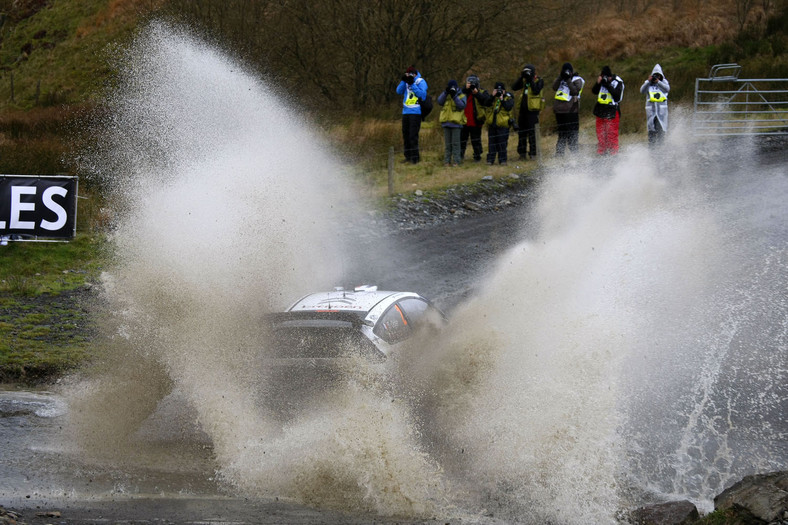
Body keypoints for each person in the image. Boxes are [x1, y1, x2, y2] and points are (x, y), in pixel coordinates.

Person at [512, 64, 545, 161]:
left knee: (532, 133)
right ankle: (522, 153)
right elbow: (514, 87)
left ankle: (533, 153)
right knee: (522, 133)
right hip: (522, 111)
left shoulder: (539, 80)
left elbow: (535, 91)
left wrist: (530, 79)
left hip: (533, 111)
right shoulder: (523, 81)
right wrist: (522, 76)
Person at [396, 66, 428, 164]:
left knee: (413, 136)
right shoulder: (406, 82)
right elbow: (398, 91)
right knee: (405, 135)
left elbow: (422, 95)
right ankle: (408, 157)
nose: (409, 76)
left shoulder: (420, 81)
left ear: (414, 74)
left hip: (416, 112)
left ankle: (415, 158)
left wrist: (412, 84)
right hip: (406, 112)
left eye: (410, 74)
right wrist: (403, 81)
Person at [552, 62, 585, 156]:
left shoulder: (578, 79)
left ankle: (574, 152)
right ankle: (559, 152)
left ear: (571, 71)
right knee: (562, 132)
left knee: (573, 133)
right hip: (559, 111)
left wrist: (568, 79)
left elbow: (575, 90)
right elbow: (554, 87)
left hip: (571, 111)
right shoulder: (561, 78)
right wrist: (560, 76)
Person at [591, 65, 624, 155]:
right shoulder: (601, 81)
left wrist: (608, 85)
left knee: (611, 134)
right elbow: (594, 91)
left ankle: (613, 153)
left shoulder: (618, 81)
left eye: (607, 77)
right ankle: (602, 152)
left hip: (612, 110)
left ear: (610, 76)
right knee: (601, 133)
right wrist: (598, 83)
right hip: (600, 110)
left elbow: (618, 97)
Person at [460, 75, 491, 162]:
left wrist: (476, 93)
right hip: (464, 120)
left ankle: (477, 156)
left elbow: (486, 101)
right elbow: (457, 97)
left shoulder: (482, 91)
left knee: (476, 140)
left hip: (476, 120)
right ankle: (460, 155)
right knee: (462, 140)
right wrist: (465, 89)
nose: (471, 85)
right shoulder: (464, 92)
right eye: (469, 83)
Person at [483, 81, 515, 165]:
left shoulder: (508, 98)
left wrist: (502, 99)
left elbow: (508, 107)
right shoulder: (493, 98)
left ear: (504, 90)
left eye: (501, 90)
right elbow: (486, 103)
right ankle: (490, 160)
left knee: (502, 143)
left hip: (503, 124)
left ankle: (502, 160)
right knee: (491, 143)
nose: (499, 91)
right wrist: (492, 96)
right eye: (497, 90)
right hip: (492, 123)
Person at [437, 79, 467, 166]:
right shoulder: (446, 95)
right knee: (447, 144)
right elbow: (439, 101)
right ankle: (447, 161)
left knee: (456, 144)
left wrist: (454, 96)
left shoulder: (461, 95)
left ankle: (456, 161)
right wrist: (446, 92)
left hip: (456, 123)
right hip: (446, 122)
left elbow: (462, 106)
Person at [640, 64, 670, 146]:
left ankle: (660, 149)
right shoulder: (648, 83)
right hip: (651, 112)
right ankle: (652, 150)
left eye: (658, 76)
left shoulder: (664, 82)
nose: (656, 77)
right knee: (651, 132)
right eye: (655, 76)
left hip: (661, 112)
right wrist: (648, 82)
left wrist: (658, 82)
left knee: (661, 132)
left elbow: (667, 89)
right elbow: (642, 91)